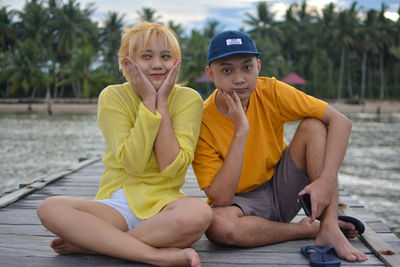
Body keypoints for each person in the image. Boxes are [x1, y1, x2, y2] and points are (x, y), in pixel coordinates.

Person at [37, 22, 212, 267]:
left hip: (165, 205)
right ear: (127, 62)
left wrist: (162, 104)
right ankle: (156, 256)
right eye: (147, 56)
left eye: (165, 56)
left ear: (177, 62)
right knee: (49, 208)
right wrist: (149, 101)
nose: (158, 64)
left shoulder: (188, 99)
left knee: (200, 213)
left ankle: (99, 244)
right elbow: (134, 164)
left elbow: (171, 167)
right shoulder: (113, 96)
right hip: (116, 204)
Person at [192, 30, 368, 262]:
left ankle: (329, 225)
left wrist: (325, 181)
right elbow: (221, 199)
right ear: (210, 73)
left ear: (258, 67)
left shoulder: (271, 92)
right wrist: (241, 130)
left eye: (247, 67)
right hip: (241, 203)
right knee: (217, 226)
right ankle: (308, 229)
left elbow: (341, 122)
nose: (239, 79)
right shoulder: (202, 119)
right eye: (227, 70)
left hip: (283, 187)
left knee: (314, 125)